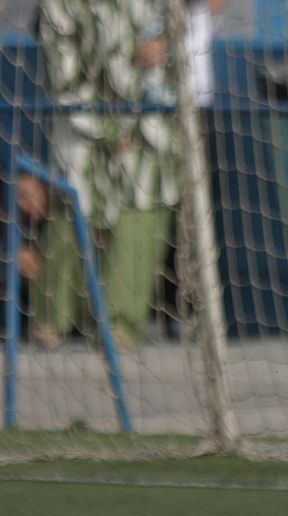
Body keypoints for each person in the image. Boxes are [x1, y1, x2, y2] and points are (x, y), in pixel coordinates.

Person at [32, 0, 181, 350]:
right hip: (82, 119)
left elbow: (174, 32)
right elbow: (64, 77)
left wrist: (164, 48)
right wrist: (110, 128)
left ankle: (120, 324)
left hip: (146, 117)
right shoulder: (58, 6)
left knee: (143, 199)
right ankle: (54, 319)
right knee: (74, 200)